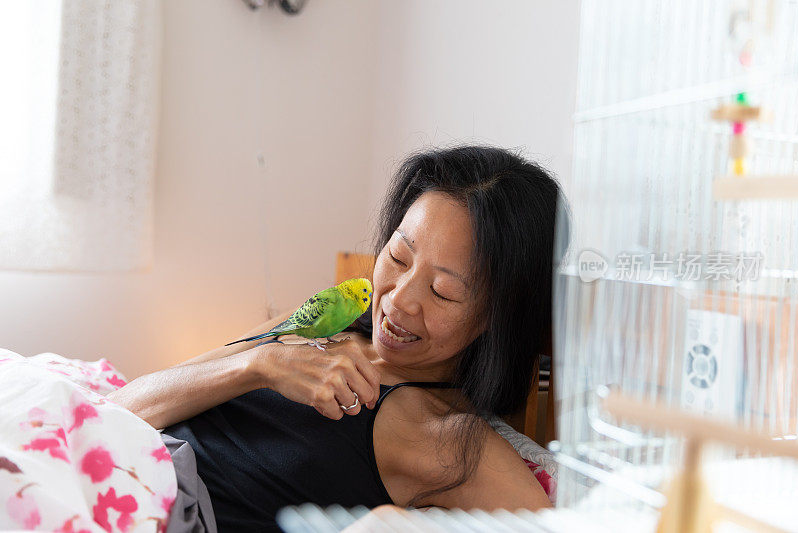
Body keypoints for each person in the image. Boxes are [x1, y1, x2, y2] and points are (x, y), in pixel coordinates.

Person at [108, 145, 567, 532]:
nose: (398, 300)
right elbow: (128, 405)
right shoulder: (328, 323)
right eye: (399, 257)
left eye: (443, 291)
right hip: (115, 457)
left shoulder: (447, 440)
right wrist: (263, 365)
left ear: (497, 317)